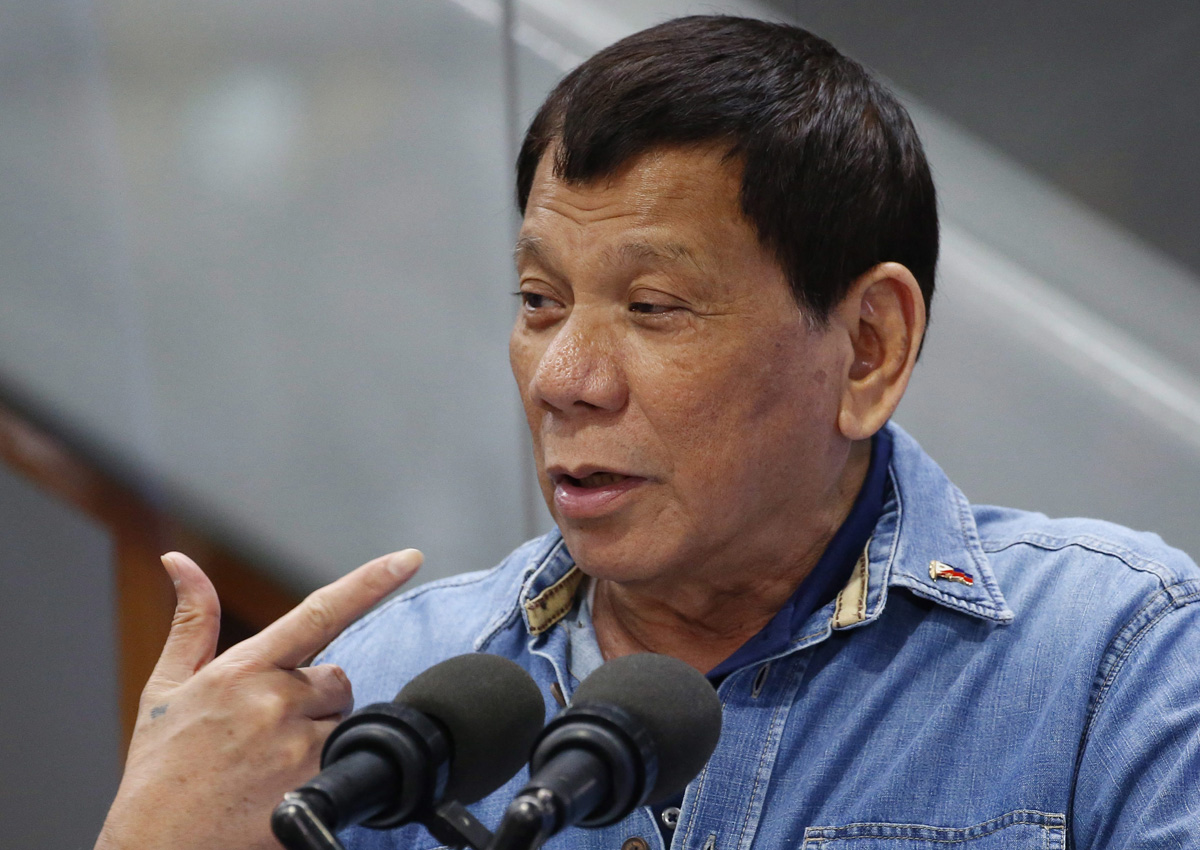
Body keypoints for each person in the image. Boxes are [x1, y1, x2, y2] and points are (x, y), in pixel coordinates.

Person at [96, 16, 1200, 850]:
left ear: (868, 347)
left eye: (654, 306)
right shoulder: (385, 692)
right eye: (539, 301)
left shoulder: (1116, 660)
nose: (564, 380)